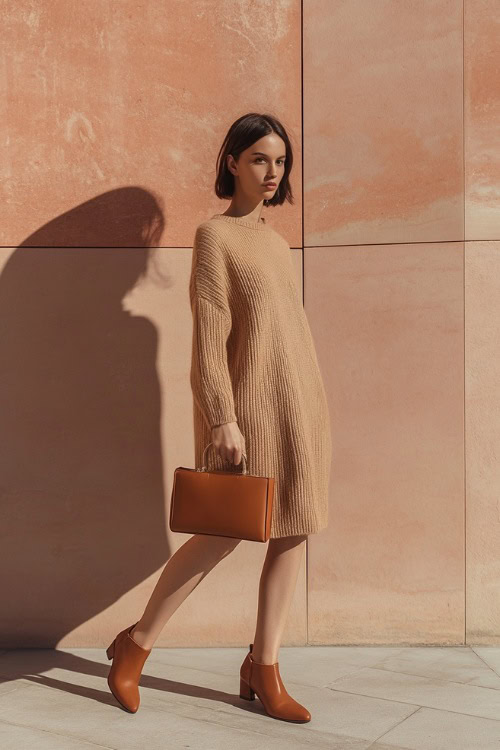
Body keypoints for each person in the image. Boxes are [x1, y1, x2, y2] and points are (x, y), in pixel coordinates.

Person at [105, 112, 332, 723]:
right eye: (260, 159)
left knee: (294, 528)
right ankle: (137, 644)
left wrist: (311, 403)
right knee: (223, 533)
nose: (272, 172)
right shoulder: (215, 237)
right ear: (232, 161)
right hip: (249, 413)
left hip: (300, 406)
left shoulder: (279, 246)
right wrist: (224, 417)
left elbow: (291, 334)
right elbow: (211, 340)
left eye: (280, 162)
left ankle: (265, 666)